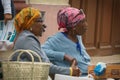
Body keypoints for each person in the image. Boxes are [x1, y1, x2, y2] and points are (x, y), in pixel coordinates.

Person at [12, 7, 80, 78]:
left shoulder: (26, 37)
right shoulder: (27, 39)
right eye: (40, 21)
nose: (44, 25)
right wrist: (70, 71)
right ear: (30, 24)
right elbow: (44, 66)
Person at [42, 7, 91, 76]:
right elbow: (42, 51)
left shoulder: (78, 37)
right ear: (73, 26)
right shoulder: (57, 39)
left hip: (89, 74)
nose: (86, 25)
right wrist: (64, 56)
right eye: (82, 22)